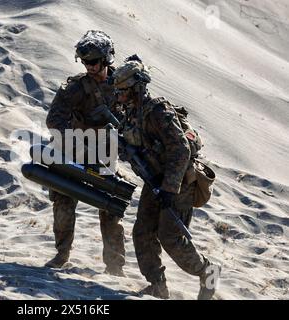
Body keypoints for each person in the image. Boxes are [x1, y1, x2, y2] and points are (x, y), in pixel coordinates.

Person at [110, 58, 221, 299]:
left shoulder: (157, 111)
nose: (118, 95)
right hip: (155, 182)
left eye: (122, 91)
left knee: (171, 237)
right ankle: (158, 285)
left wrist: (170, 189)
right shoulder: (130, 114)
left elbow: (180, 149)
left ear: (136, 88)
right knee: (142, 232)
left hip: (179, 182)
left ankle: (208, 271)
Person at [44, 30, 125, 276]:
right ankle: (61, 254)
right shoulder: (75, 88)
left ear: (107, 59)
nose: (89, 66)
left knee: (111, 208)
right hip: (74, 152)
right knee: (63, 200)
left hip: (107, 154)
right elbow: (54, 121)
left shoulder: (124, 85)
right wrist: (78, 145)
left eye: (93, 61)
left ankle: (115, 265)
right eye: (85, 62)